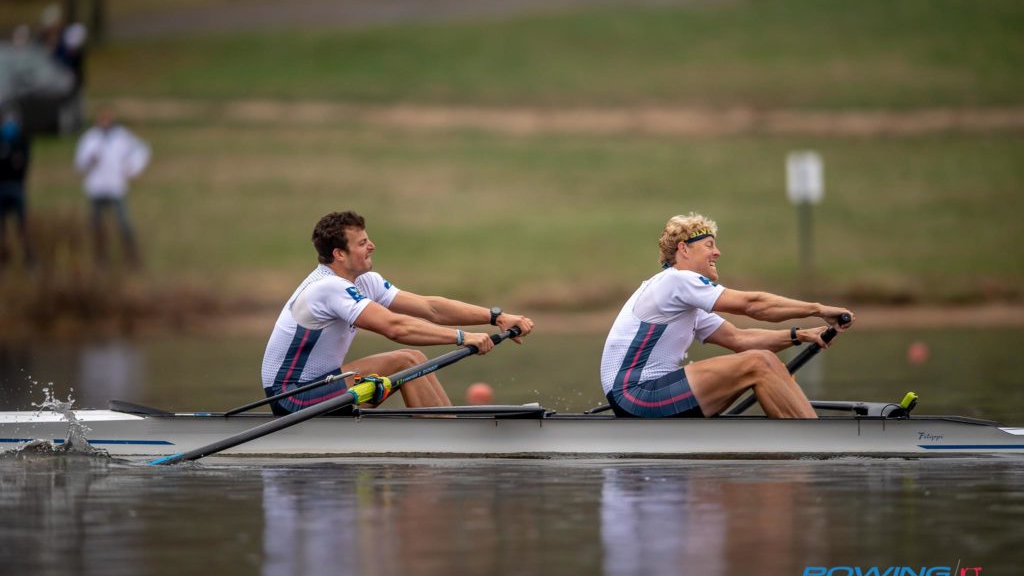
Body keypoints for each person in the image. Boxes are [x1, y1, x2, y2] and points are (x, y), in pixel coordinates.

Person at [261, 211, 534, 415]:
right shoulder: (327, 288)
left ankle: (447, 426)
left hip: (323, 386)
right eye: (362, 243)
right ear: (339, 254)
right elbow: (396, 328)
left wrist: (496, 317)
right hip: (292, 396)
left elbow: (431, 308)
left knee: (415, 360)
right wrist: (462, 337)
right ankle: (446, 435)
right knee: (406, 361)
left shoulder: (365, 281)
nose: (372, 245)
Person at [600, 213, 854, 420]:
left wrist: (800, 335)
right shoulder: (676, 281)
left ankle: (801, 430)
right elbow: (752, 305)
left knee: (763, 361)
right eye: (709, 245)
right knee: (760, 363)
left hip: (639, 395)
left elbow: (740, 339)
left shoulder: (681, 298)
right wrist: (818, 309)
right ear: (684, 249)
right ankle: (816, 439)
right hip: (635, 394)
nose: (717, 252)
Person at [73, 107, 150, 268]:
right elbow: (79, 164)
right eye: (101, 119)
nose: (104, 122)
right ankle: (101, 259)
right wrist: (89, 161)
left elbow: (142, 150)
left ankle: (132, 258)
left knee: (124, 224)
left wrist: (132, 168)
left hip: (115, 187)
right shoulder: (89, 138)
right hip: (96, 188)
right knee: (97, 226)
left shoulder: (122, 136)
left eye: (107, 119)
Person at [0, 108, 34, 267]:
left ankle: (29, 259)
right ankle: (4, 259)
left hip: (16, 187)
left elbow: (21, 164)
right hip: (2, 187)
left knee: (22, 226)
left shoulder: (22, 140)